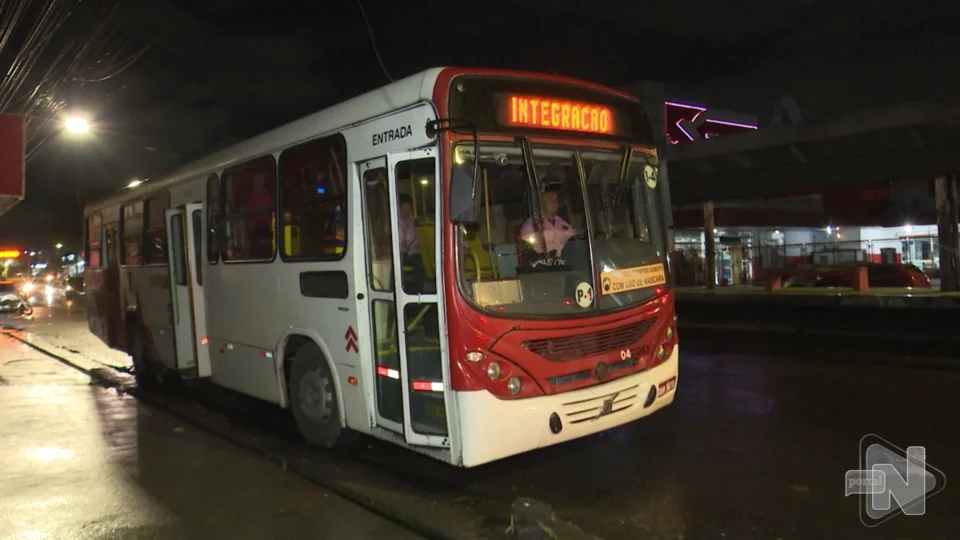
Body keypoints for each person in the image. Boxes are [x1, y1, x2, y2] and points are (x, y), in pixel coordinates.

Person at [519, 190, 575, 257]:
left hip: (564, 262)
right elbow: (528, 250)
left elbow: (573, 241)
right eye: (552, 201)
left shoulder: (562, 223)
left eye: (556, 201)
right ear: (542, 204)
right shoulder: (531, 225)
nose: (556, 204)